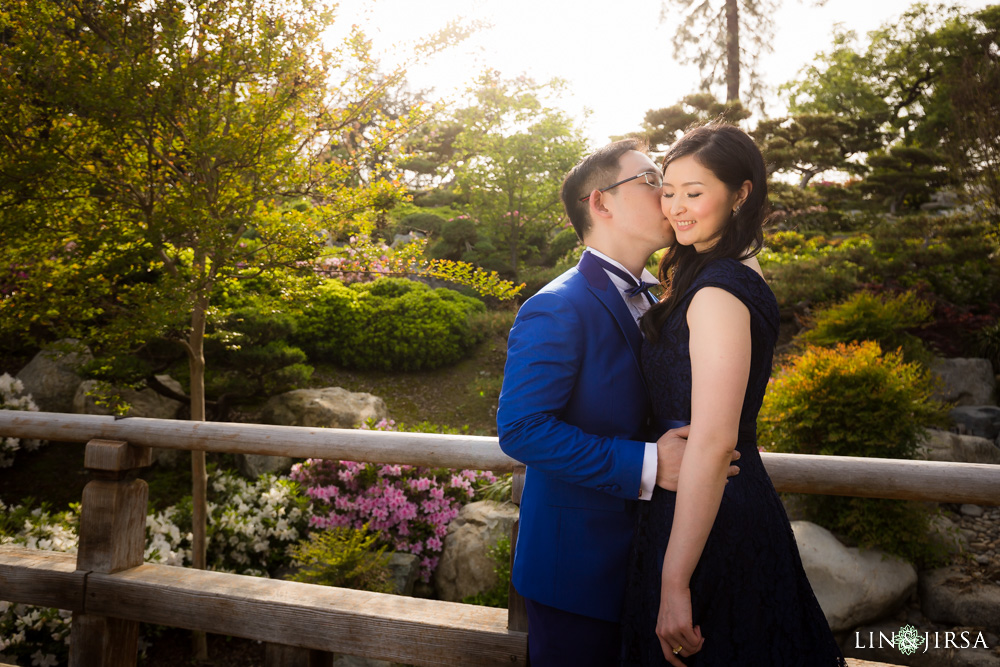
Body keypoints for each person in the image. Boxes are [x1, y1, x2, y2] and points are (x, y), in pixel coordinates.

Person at [497, 138, 740, 667]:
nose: (667, 195)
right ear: (600, 203)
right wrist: (651, 462)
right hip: (577, 574)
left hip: (650, 562)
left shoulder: (658, 296)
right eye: (652, 180)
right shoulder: (557, 306)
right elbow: (521, 428)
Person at [620, 124, 846, 666]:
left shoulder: (718, 291)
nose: (676, 207)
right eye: (668, 191)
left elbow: (716, 441)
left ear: (741, 193)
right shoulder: (725, 268)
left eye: (694, 193)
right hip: (702, 505)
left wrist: (674, 581)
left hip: (710, 520)